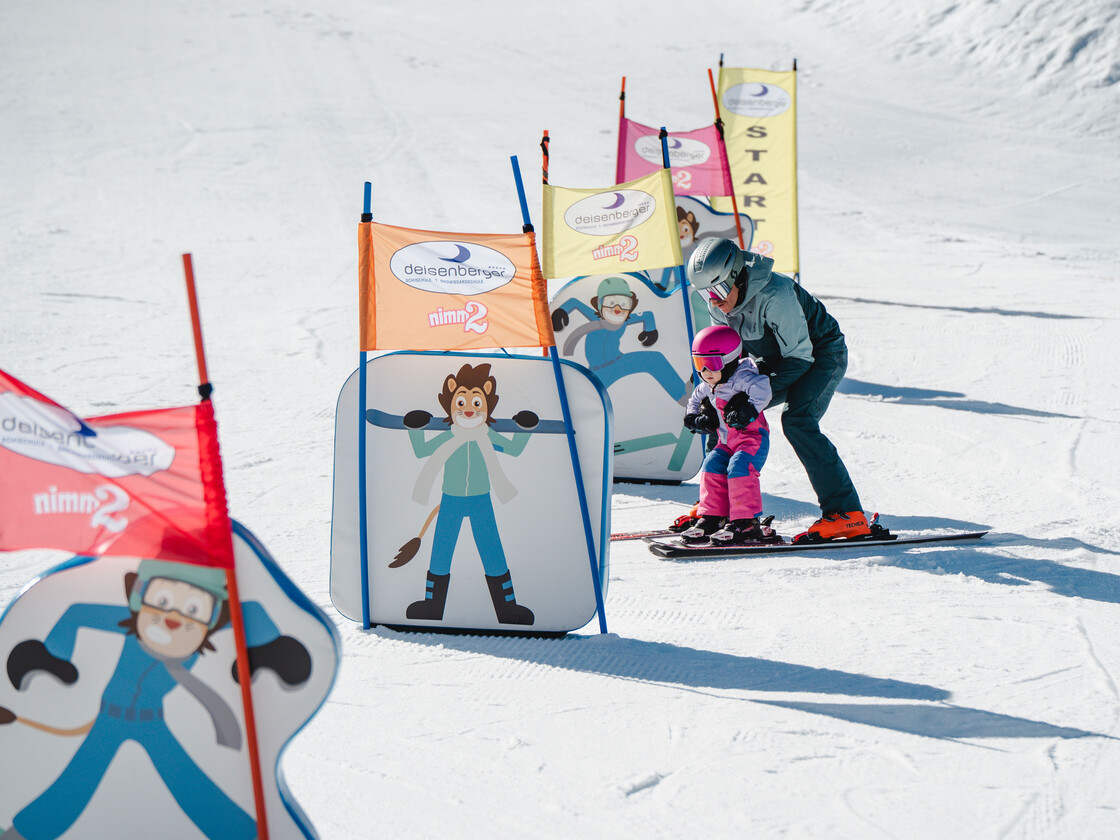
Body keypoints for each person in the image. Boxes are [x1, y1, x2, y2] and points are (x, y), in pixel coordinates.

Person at [685, 237, 871, 541]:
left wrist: (749, 399)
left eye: (717, 290)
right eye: (704, 293)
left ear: (736, 277)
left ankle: (847, 514)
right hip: (774, 358)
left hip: (820, 354)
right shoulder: (719, 302)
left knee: (798, 421)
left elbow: (800, 358)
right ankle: (717, 506)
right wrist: (710, 404)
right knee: (723, 408)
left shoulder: (777, 294)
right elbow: (728, 360)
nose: (713, 300)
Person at [679, 325, 779, 545]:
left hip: (752, 440)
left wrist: (748, 409)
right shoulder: (709, 383)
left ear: (730, 360)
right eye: (699, 365)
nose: (706, 373)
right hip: (727, 442)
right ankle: (713, 517)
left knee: (739, 469)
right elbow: (694, 399)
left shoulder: (743, 378)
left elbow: (763, 388)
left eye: (711, 364)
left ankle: (746, 523)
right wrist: (694, 417)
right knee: (711, 465)